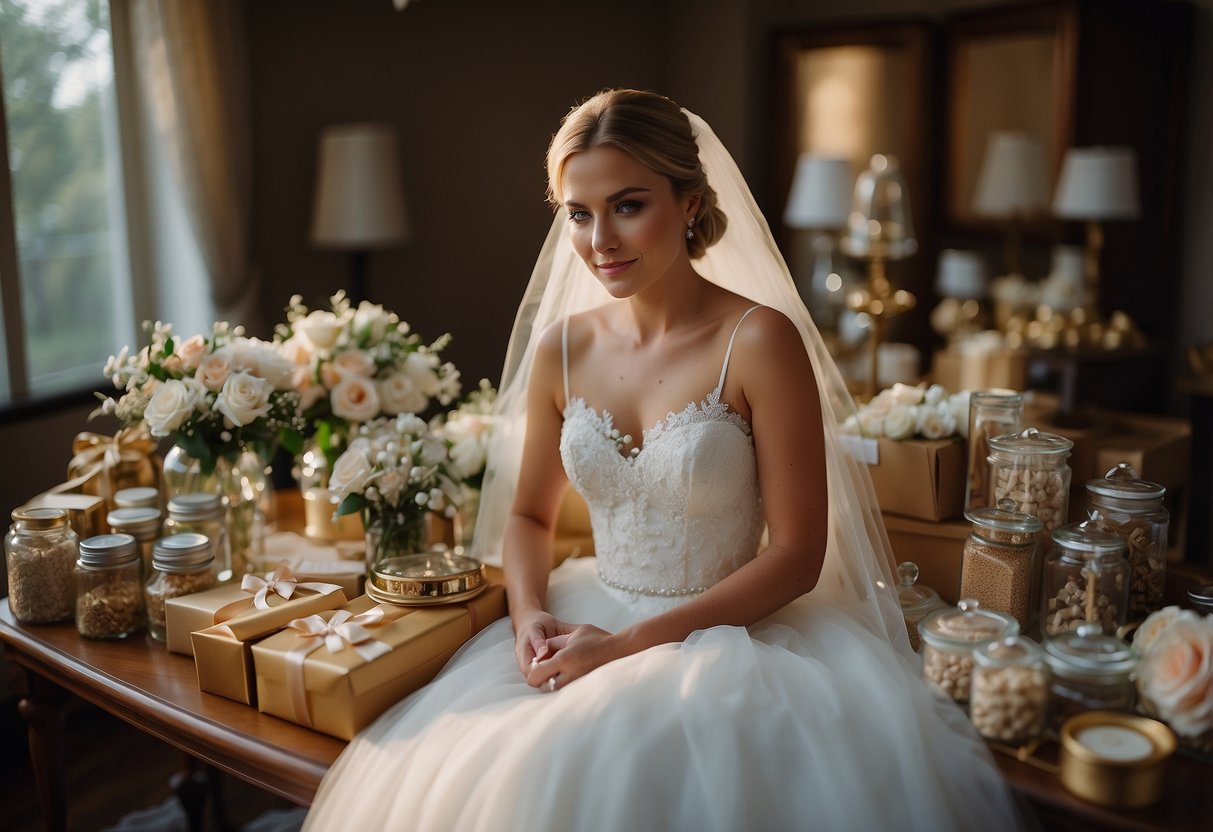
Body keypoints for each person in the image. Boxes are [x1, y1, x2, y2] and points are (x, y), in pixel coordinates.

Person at [304, 89, 1024, 831]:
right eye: (577, 213)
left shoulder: (758, 340)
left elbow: (799, 554)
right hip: (584, 612)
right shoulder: (561, 347)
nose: (599, 241)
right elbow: (525, 514)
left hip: (732, 639)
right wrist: (528, 619)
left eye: (627, 205)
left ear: (690, 203)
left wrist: (625, 648)